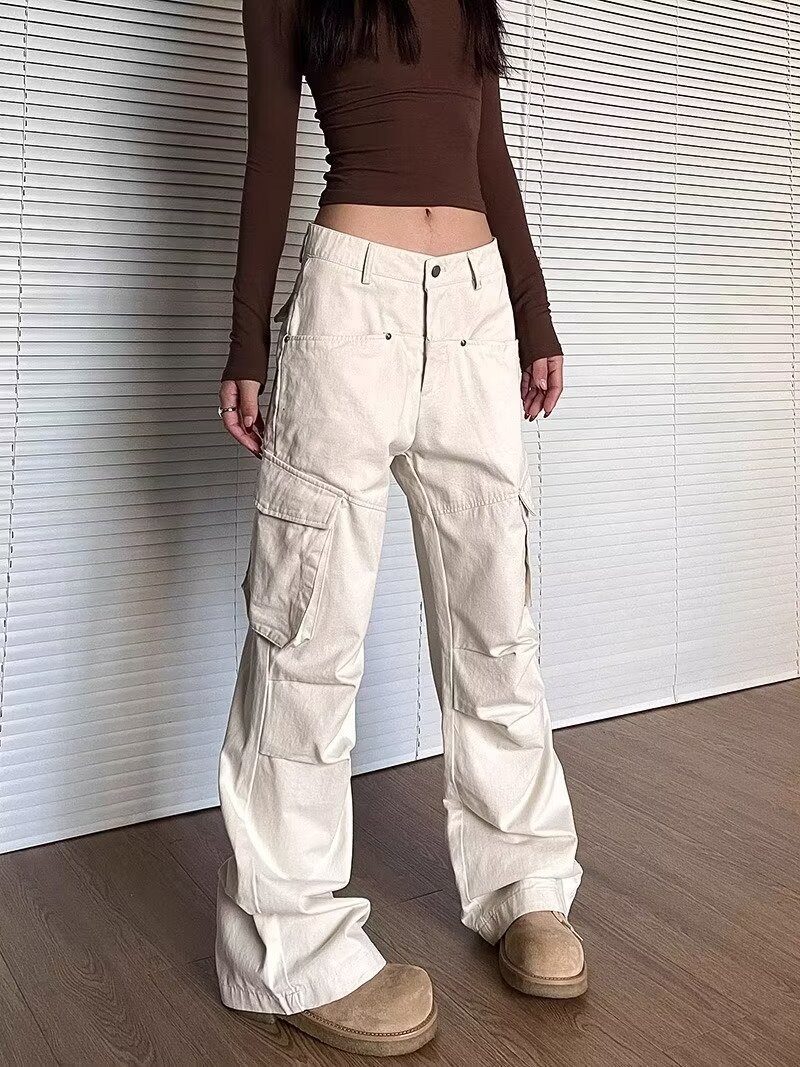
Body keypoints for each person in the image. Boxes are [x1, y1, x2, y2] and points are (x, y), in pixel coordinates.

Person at [215, 0, 586, 1056]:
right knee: (307, 633)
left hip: (473, 311)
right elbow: (271, 151)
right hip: (348, 308)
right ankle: (286, 944)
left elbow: (486, 149)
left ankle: (523, 884)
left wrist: (533, 312)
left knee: (496, 622)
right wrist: (247, 339)